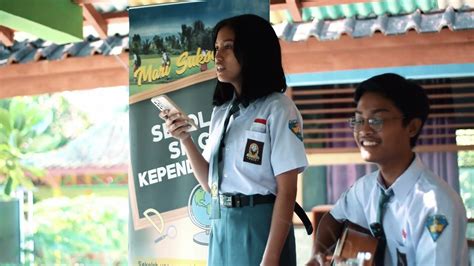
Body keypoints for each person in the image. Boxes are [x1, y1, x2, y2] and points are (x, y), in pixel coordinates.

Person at [161, 14, 308, 266]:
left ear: (252, 50)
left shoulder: (278, 108)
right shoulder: (222, 111)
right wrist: (185, 139)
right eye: (216, 48)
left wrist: (271, 258)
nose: (217, 57)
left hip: (261, 224)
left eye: (228, 47)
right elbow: (211, 185)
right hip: (222, 222)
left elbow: (287, 190)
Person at [306, 73, 469, 266]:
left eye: (377, 120)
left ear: (412, 127)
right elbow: (332, 218)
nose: (364, 130)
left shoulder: (435, 205)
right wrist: (317, 256)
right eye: (359, 120)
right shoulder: (365, 189)